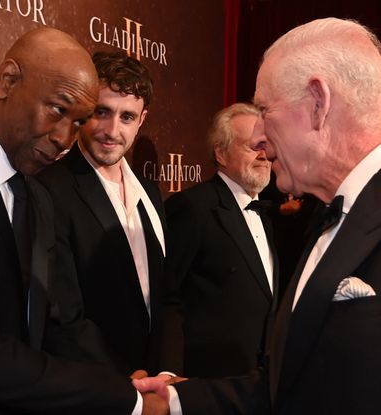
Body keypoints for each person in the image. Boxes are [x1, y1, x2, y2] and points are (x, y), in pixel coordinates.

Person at [135, 17, 381, 415]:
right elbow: (285, 387)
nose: (261, 138)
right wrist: (175, 400)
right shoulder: (326, 218)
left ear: (318, 103)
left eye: (266, 110)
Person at [0, 27, 166, 414]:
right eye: (58, 109)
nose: (63, 137)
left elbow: (52, 326)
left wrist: (130, 384)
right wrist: (125, 398)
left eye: (77, 122)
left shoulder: (37, 196)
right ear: (7, 80)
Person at [37, 51, 178, 378]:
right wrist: (122, 381)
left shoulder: (150, 192)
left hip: (155, 388)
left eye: (127, 117)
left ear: (142, 120)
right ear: (84, 110)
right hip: (94, 387)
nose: (112, 130)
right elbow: (62, 314)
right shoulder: (51, 189)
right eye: (102, 112)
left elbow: (167, 296)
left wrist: (167, 373)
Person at [163, 103, 277, 378]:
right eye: (253, 146)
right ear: (221, 153)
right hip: (206, 379)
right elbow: (167, 296)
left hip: (256, 380)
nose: (264, 155)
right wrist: (170, 375)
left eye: (267, 145)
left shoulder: (266, 213)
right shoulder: (192, 208)